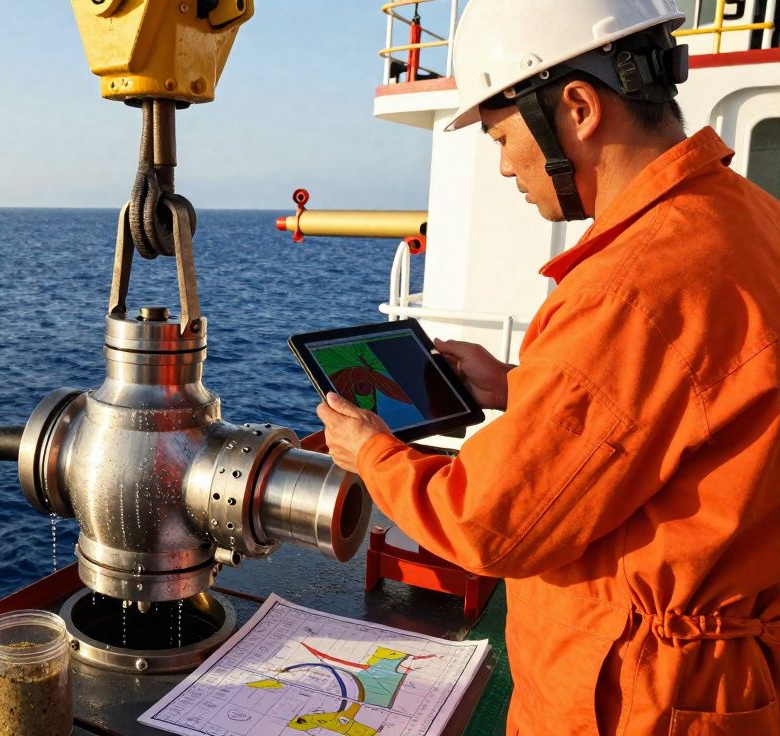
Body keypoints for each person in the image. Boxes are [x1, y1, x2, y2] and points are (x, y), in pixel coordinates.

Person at [315, 0, 780, 733]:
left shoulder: (631, 287)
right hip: (728, 674)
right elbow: (687, 407)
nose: (504, 165)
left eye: (502, 135)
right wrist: (516, 386)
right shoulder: (746, 214)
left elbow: (491, 523)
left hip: (639, 695)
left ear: (577, 108)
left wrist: (370, 452)